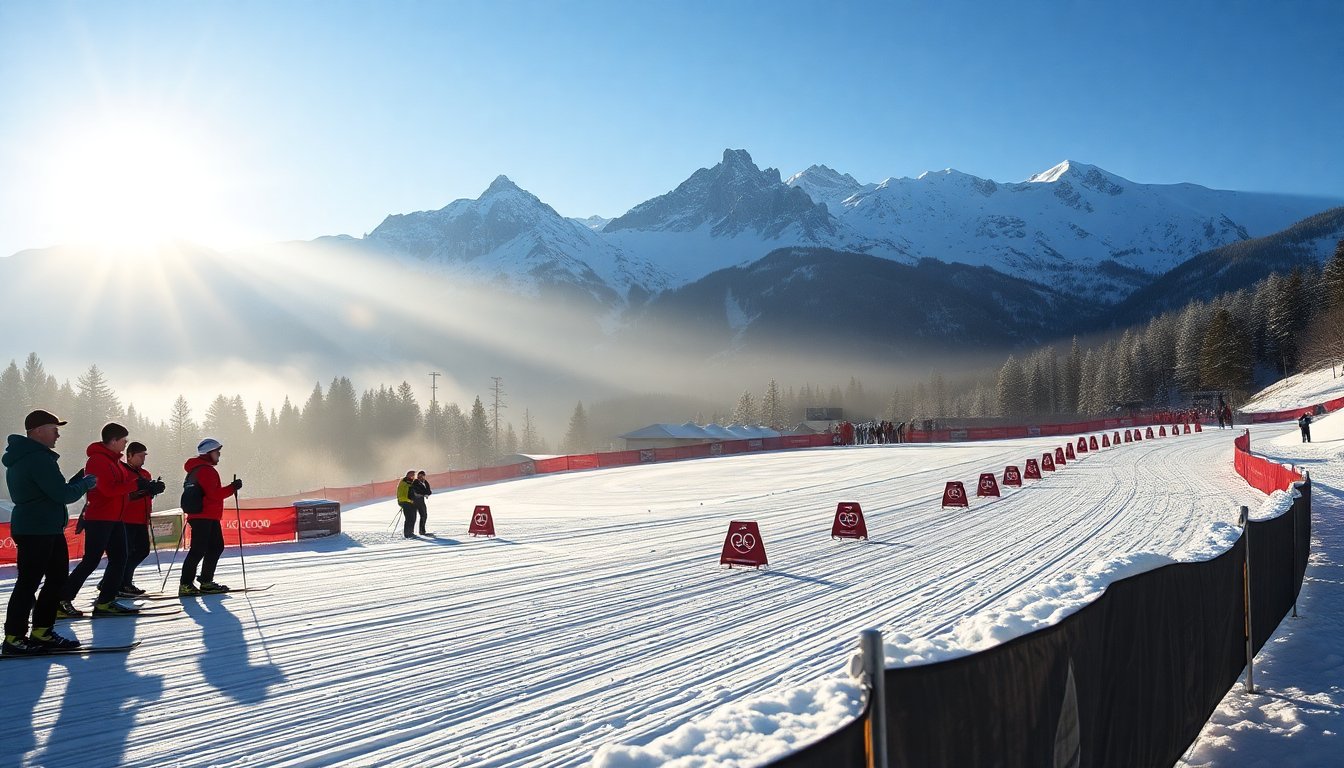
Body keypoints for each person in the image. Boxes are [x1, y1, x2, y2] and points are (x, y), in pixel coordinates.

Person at [3, 410, 97, 655]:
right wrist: (84, 484)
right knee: (30, 583)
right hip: (38, 529)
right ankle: (15, 637)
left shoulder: (28, 457)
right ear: (37, 431)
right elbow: (62, 494)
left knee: (52, 580)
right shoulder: (37, 458)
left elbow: (53, 491)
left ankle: (40, 631)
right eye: (53, 429)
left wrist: (75, 483)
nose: (57, 434)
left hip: (42, 528)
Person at [62, 422, 154, 617]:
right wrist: (135, 485)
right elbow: (107, 490)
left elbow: (121, 488)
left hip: (115, 518)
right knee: (91, 560)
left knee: (120, 558)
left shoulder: (113, 461)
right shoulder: (97, 461)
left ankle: (106, 600)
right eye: (123, 441)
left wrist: (141, 487)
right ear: (113, 441)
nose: (125, 444)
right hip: (100, 518)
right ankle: (63, 599)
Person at [178, 438, 242, 596]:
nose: (219, 454)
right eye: (216, 452)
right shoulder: (206, 470)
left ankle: (204, 581)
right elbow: (214, 495)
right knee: (200, 549)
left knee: (214, 547)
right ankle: (187, 584)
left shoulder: (196, 469)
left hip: (204, 515)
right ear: (208, 453)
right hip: (204, 515)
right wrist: (232, 487)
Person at [121, 442, 166, 596]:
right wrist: (145, 491)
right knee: (125, 553)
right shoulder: (123, 472)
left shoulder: (145, 473)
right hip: (126, 519)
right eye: (140, 456)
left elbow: (146, 494)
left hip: (142, 518)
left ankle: (120, 580)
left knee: (142, 551)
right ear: (129, 456)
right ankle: (122, 582)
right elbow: (125, 496)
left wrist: (153, 490)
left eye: (144, 456)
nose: (143, 459)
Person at [396, 470, 417, 538]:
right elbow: (401, 495)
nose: (413, 476)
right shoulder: (404, 482)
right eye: (412, 475)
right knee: (409, 518)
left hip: (411, 502)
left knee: (413, 517)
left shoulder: (411, 482)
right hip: (405, 502)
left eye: (414, 475)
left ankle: (411, 532)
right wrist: (408, 500)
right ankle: (407, 534)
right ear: (408, 475)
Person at [412, 471, 433, 536]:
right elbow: (416, 491)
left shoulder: (425, 482)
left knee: (424, 515)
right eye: (419, 476)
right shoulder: (415, 482)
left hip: (421, 501)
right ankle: (410, 532)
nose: (421, 477)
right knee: (413, 517)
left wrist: (426, 493)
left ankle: (422, 531)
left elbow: (429, 491)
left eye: (422, 476)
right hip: (414, 501)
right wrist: (424, 493)